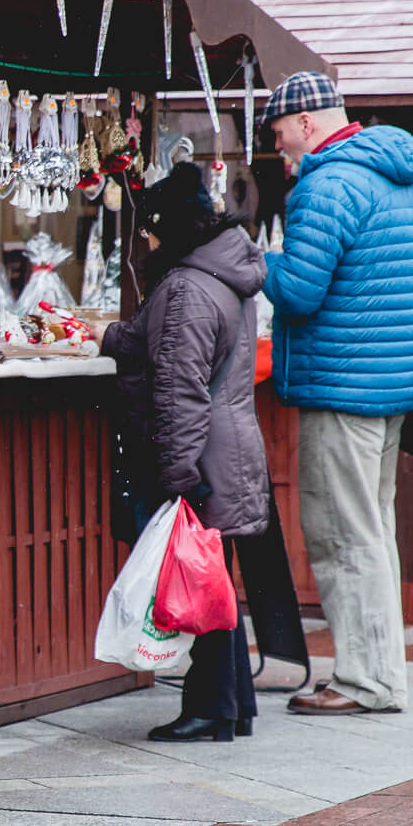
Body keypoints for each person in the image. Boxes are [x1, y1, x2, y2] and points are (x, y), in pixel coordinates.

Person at [258, 72, 413, 717]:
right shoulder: (398, 175)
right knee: (372, 532)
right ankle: (381, 674)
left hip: (339, 383)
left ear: (307, 123)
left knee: (341, 537)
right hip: (387, 381)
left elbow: (300, 290)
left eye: (280, 136)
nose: (281, 151)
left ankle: (365, 682)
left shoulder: (327, 181)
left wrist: (255, 262)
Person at [98, 162, 270, 743]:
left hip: (199, 455)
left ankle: (212, 709)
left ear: (167, 227)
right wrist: (104, 337)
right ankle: (233, 705)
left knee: (200, 583)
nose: (144, 241)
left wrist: (177, 475)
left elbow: (176, 390)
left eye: (148, 229)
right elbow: (162, 344)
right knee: (213, 580)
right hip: (227, 446)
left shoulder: (185, 287)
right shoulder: (217, 273)